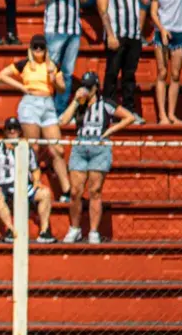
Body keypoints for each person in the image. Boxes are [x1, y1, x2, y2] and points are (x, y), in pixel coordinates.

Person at [59, 71, 135, 243]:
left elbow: (129, 117)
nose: (86, 89)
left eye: (89, 86)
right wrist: (75, 101)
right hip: (80, 144)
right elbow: (63, 121)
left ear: (96, 87)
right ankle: (75, 228)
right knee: (76, 191)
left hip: (99, 146)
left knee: (95, 191)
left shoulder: (106, 104)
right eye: (84, 86)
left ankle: (93, 231)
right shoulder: (79, 104)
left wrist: (110, 131)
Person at [0, 34, 72, 200]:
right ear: (30, 49)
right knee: (33, 148)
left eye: (41, 47)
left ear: (46, 50)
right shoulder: (25, 64)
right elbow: (1, 75)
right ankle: (29, 183)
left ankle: (67, 190)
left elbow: (62, 88)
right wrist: (22, 87)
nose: (38, 50)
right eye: (35, 47)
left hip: (48, 104)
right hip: (31, 104)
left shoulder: (52, 66)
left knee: (57, 149)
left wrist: (53, 78)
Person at [0, 117, 56, 243]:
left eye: (15, 128)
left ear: (20, 131)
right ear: (5, 131)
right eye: (9, 129)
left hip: (24, 186)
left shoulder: (26, 148)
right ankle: (10, 230)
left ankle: (44, 231)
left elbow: (35, 169)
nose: (12, 131)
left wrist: (36, 181)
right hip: (4, 186)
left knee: (45, 192)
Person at [98, 0, 145, 122]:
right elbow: (102, 9)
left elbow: (144, 4)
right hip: (116, 35)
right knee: (112, 74)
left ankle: (129, 111)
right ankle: (108, 113)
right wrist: (110, 35)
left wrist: (139, 30)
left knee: (129, 76)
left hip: (133, 36)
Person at [39, 0, 83, 113]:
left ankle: (60, 111)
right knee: (49, 70)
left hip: (74, 29)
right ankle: (43, 109)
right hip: (54, 29)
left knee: (67, 74)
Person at [151, 0, 182, 124]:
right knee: (162, 72)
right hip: (162, 31)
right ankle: (162, 114)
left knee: (176, 75)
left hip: (181, 31)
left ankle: (171, 114)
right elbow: (153, 12)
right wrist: (162, 29)